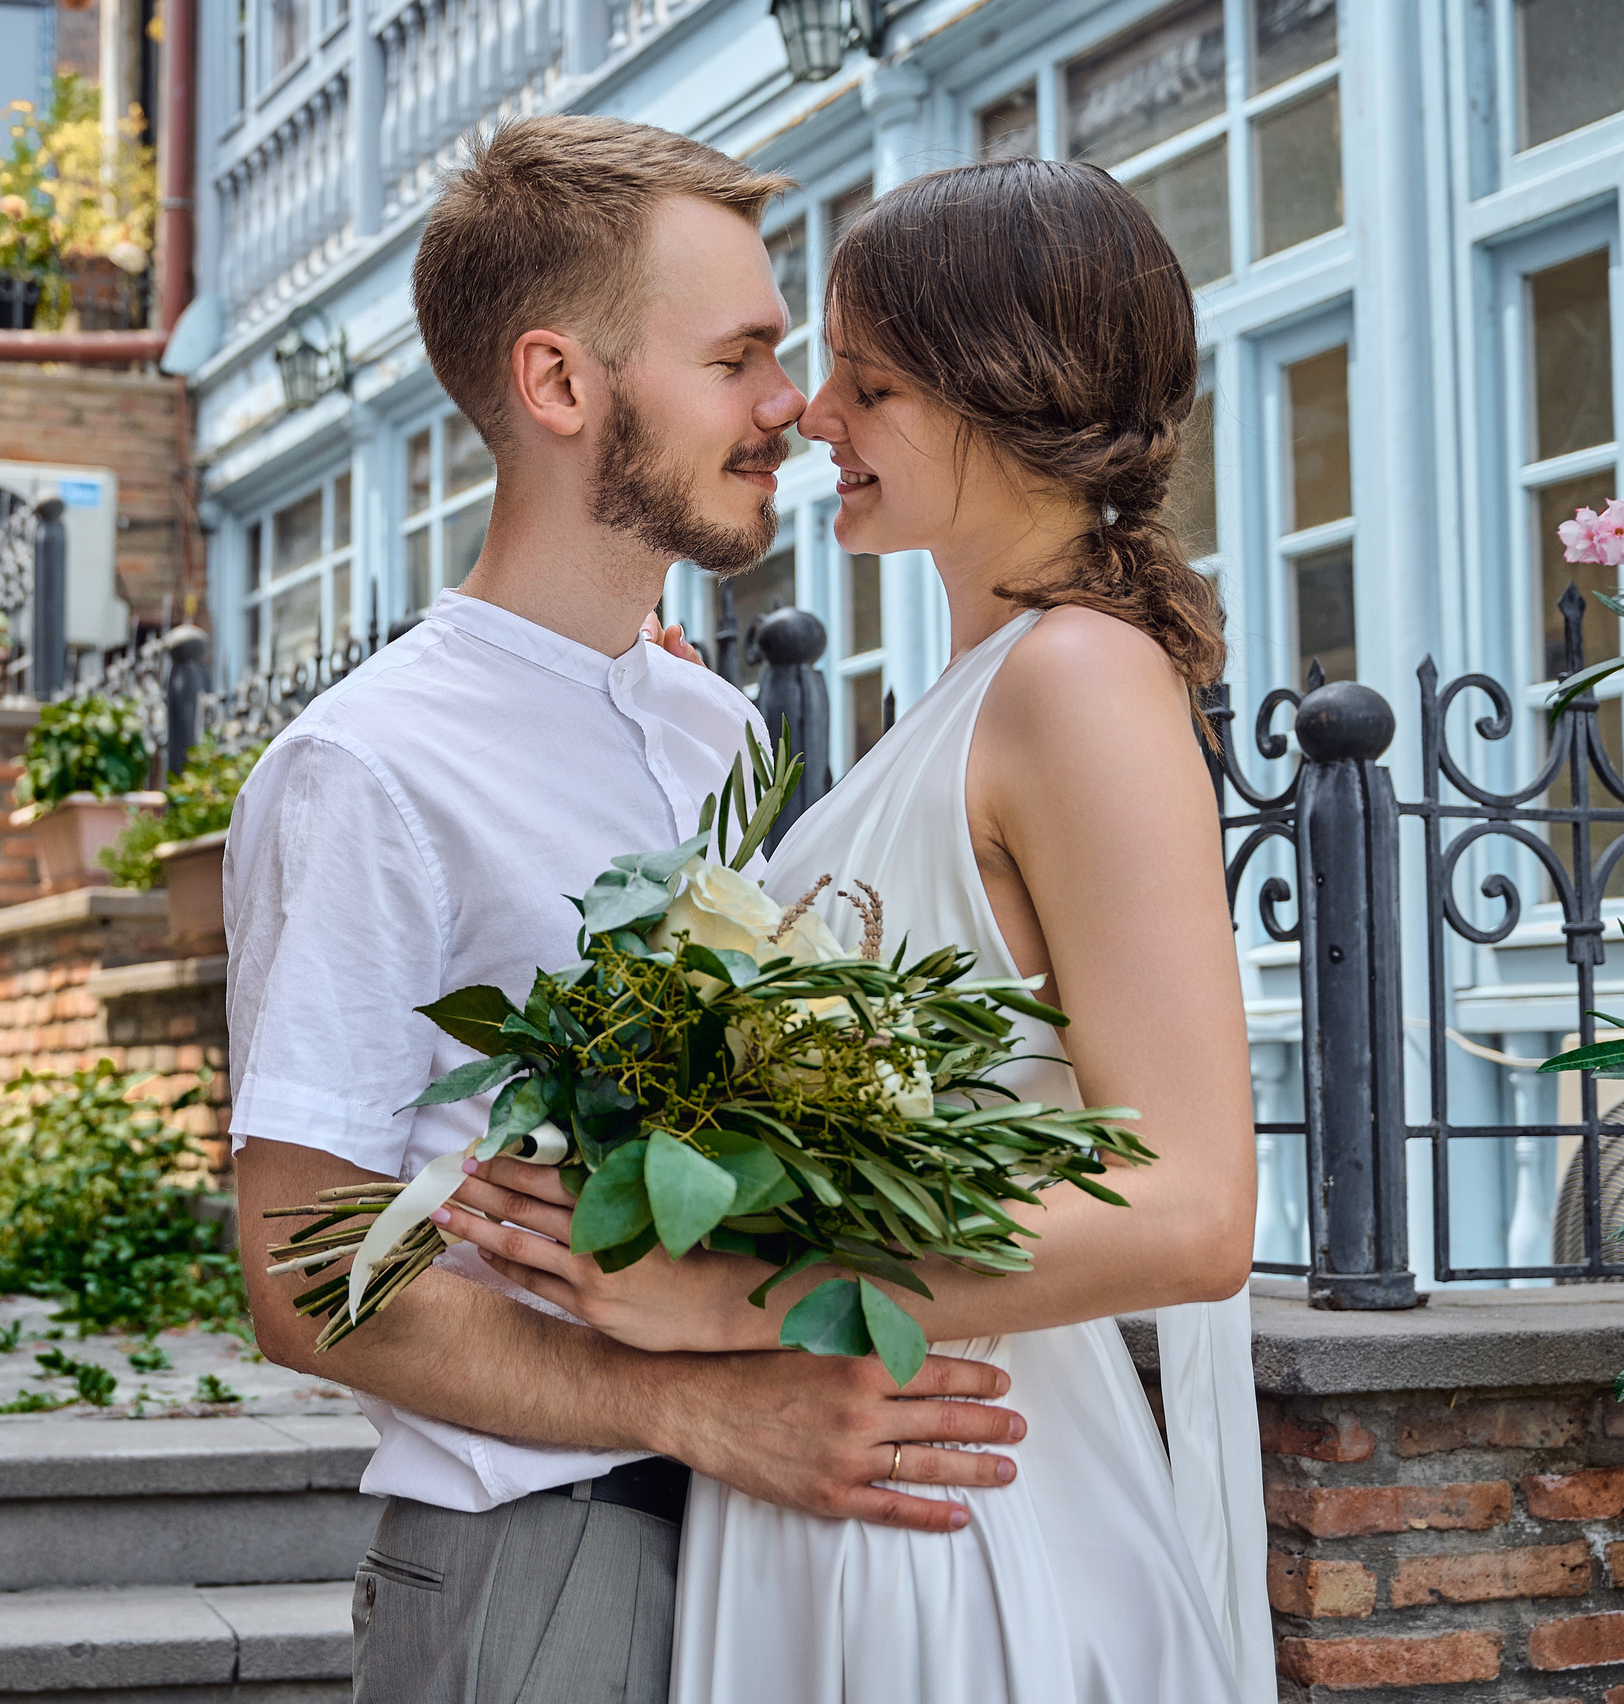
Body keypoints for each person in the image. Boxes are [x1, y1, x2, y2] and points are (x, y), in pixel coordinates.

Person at [433, 159, 1272, 1703]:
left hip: (959, 1518)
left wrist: (724, 1306)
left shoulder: (1076, 682)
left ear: (1001, 399)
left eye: (868, 382)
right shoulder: (970, 691)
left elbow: (1195, 1212)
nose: (812, 416)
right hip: (844, 1488)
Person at [224, 118, 1025, 1704]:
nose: (792, 407)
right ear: (564, 386)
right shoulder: (364, 770)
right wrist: (691, 1407)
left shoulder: (716, 730)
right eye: (739, 358)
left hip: (781, 1556)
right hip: (550, 1568)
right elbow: (309, 1272)